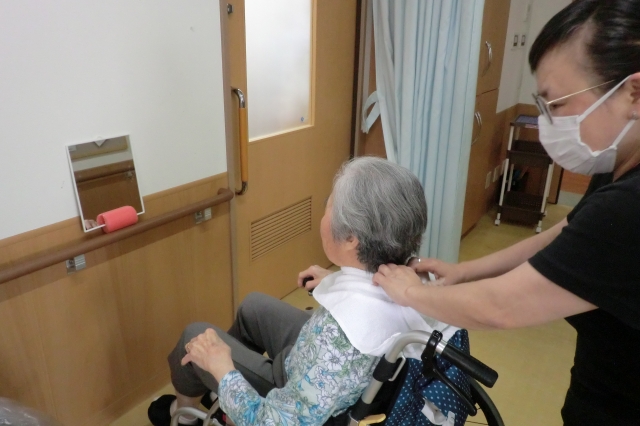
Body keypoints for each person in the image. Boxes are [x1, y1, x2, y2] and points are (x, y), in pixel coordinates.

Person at [362, 1, 640, 425]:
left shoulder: (628, 207)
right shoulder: (616, 167)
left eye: (557, 105)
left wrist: (412, 294)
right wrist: (465, 272)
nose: (548, 124)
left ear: (633, 93)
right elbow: (567, 233)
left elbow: (501, 307)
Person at [148, 157, 458, 426]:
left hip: (295, 392)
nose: (325, 214)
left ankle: (185, 415)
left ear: (351, 238)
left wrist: (223, 369)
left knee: (194, 336)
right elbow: (369, 299)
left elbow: (275, 421)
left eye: (329, 206)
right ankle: (219, 390)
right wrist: (336, 281)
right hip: (319, 365)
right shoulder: (408, 279)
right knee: (253, 307)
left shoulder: (337, 338)